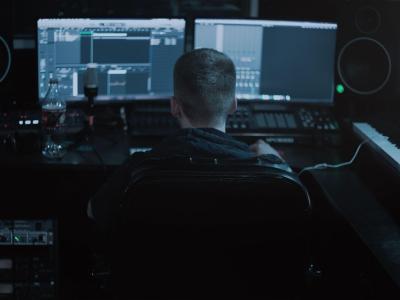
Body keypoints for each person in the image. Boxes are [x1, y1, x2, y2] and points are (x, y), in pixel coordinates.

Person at [88, 48, 291, 226]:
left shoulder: (140, 167)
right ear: (233, 105)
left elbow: (93, 212)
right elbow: (298, 207)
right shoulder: (269, 171)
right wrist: (279, 163)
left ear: (174, 106)